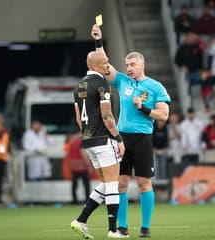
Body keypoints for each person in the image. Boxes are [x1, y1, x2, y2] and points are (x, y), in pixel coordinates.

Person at [92, 25, 171, 238]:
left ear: (142, 65)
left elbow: (163, 115)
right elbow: (104, 65)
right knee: (121, 183)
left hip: (143, 138)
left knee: (145, 183)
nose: (129, 68)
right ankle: (123, 226)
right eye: (127, 65)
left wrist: (143, 108)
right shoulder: (122, 81)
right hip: (122, 138)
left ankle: (145, 227)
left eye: (132, 64)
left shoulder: (155, 87)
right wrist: (99, 41)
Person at [70, 50, 126, 239]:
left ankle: (81, 220)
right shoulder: (101, 83)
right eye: (105, 63)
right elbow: (107, 115)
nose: (108, 66)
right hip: (104, 139)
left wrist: (88, 135)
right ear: (94, 66)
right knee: (112, 184)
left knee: (105, 183)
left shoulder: (78, 86)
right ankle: (112, 230)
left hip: (88, 141)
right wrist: (118, 138)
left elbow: (79, 118)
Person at [63, 131, 92, 204]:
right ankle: (87, 200)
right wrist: (89, 166)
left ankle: (74, 199)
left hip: (74, 166)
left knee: (74, 184)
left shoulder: (73, 142)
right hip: (82, 166)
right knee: (86, 184)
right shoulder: (82, 142)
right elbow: (83, 154)